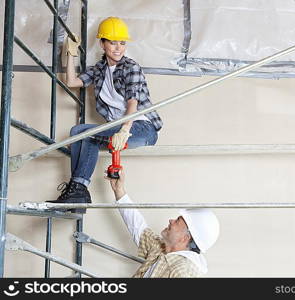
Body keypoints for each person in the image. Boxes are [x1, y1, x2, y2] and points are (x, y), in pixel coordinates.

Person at [49, 17, 163, 210]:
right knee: (78, 131)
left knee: (88, 135)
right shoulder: (99, 70)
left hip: (142, 127)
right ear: (102, 43)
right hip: (118, 127)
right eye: (112, 42)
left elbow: (132, 101)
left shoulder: (131, 67)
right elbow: (72, 82)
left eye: (122, 43)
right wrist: (71, 54)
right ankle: (78, 191)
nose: (118, 48)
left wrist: (125, 130)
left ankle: (78, 191)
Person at [108, 170, 220, 278]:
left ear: (185, 238)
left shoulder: (182, 271)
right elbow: (138, 227)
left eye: (177, 221)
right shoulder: (162, 249)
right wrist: (119, 190)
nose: (171, 221)